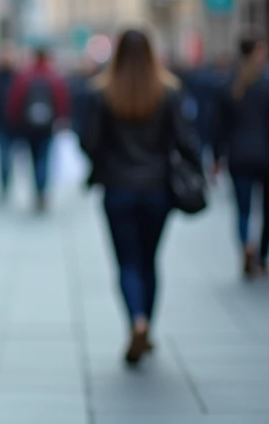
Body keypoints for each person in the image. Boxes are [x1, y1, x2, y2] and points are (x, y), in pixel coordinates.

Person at [80, 28, 201, 366]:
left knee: (127, 262)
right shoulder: (168, 92)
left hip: (117, 190)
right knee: (149, 260)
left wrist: (104, 162)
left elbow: (88, 143)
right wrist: (197, 172)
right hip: (157, 190)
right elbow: (185, 140)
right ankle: (147, 323)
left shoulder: (101, 93)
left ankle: (136, 320)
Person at [213, 33, 269, 278]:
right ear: (257, 52)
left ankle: (246, 245)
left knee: (243, 209)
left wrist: (214, 158)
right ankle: (262, 257)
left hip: (238, 155)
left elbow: (218, 127)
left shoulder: (226, 85)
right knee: (268, 208)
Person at [6, 46, 70, 212]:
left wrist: (16, 122)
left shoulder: (25, 77)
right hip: (47, 126)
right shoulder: (53, 77)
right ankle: (42, 191)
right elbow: (62, 100)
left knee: (34, 159)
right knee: (45, 158)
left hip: (28, 126)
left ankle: (38, 190)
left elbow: (15, 101)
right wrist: (61, 119)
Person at [0, 46, 20, 200]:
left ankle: (7, 180)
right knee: (3, 153)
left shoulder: (18, 78)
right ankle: (5, 182)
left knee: (8, 153)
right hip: (0, 122)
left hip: (15, 122)